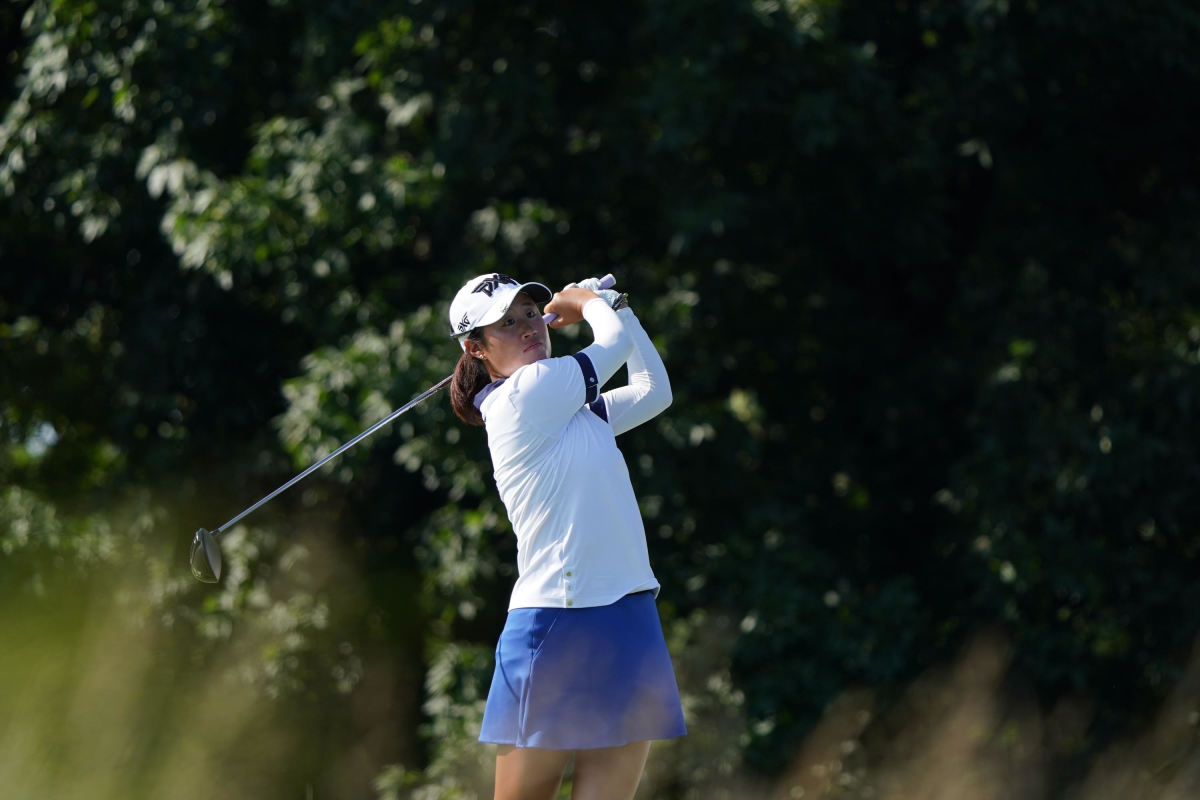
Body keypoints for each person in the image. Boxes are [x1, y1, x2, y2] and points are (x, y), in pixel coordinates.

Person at [447, 272, 686, 800]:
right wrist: (590, 302)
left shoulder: (576, 412)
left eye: (531, 313)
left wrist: (617, 306)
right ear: (476, 348)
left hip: (627, 612)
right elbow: (612, 347)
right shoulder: (523, 395)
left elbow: (654, 391)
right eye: (506, 323)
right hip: (557, 621)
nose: (528, 327)